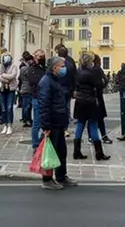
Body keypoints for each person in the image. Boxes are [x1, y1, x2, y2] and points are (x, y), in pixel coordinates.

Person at [39, 56, 77, 190]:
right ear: (54, 67)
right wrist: (46, 126)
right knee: (50, 151)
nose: (64, 68)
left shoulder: (55, 80)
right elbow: (44, 105)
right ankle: (47, 179)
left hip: (59, 122)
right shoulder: (46, 81)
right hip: (52, 122)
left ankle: (61, 176)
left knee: (61, 151)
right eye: (62, 66)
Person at [72, 52, 110, 161]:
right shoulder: (90, 74)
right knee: (93, 124)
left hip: (80, 101)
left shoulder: (78, 72)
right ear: (89, 61)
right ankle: (99, 152)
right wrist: (102, 81)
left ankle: (76, 151)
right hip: (90, 101)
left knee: (80, 124)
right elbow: (99, 85)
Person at [0, 52, 19, 135]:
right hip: (2, 90)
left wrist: (3, 75)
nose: (7, 58)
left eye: (8, 57)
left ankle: (9, 126)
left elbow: (13, 76)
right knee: (3, 109)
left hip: (11, 90)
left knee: (9, 108)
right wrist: (5, 79)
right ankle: (5, 125)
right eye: (5, 57)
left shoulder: (13, 66)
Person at [28, 49, 48, 150]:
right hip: (37, 97)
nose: (41, 58)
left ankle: (42, 140)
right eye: (39, 56)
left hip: (46, 97)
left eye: (43, 56)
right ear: (35, 57)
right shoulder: (32, 69)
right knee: (37, 122)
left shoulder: (45, 68)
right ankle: (35, 144)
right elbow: (35, 82)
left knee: (46, 121)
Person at [92, 54, 112, 144]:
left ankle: (91, 137)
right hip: (97, 96)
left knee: (91, 119)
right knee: (99, 118)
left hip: (89, 96)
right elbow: (103, 81)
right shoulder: (98, 69)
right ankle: (103, 136)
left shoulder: (84, 69)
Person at [18, 52, 34, 127]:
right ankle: (26, 120)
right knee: (27, 106)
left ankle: (27, 119)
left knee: (27, 105)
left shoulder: (23, 68)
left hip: (25, 88)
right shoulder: (25, 68)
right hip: (27, 88)